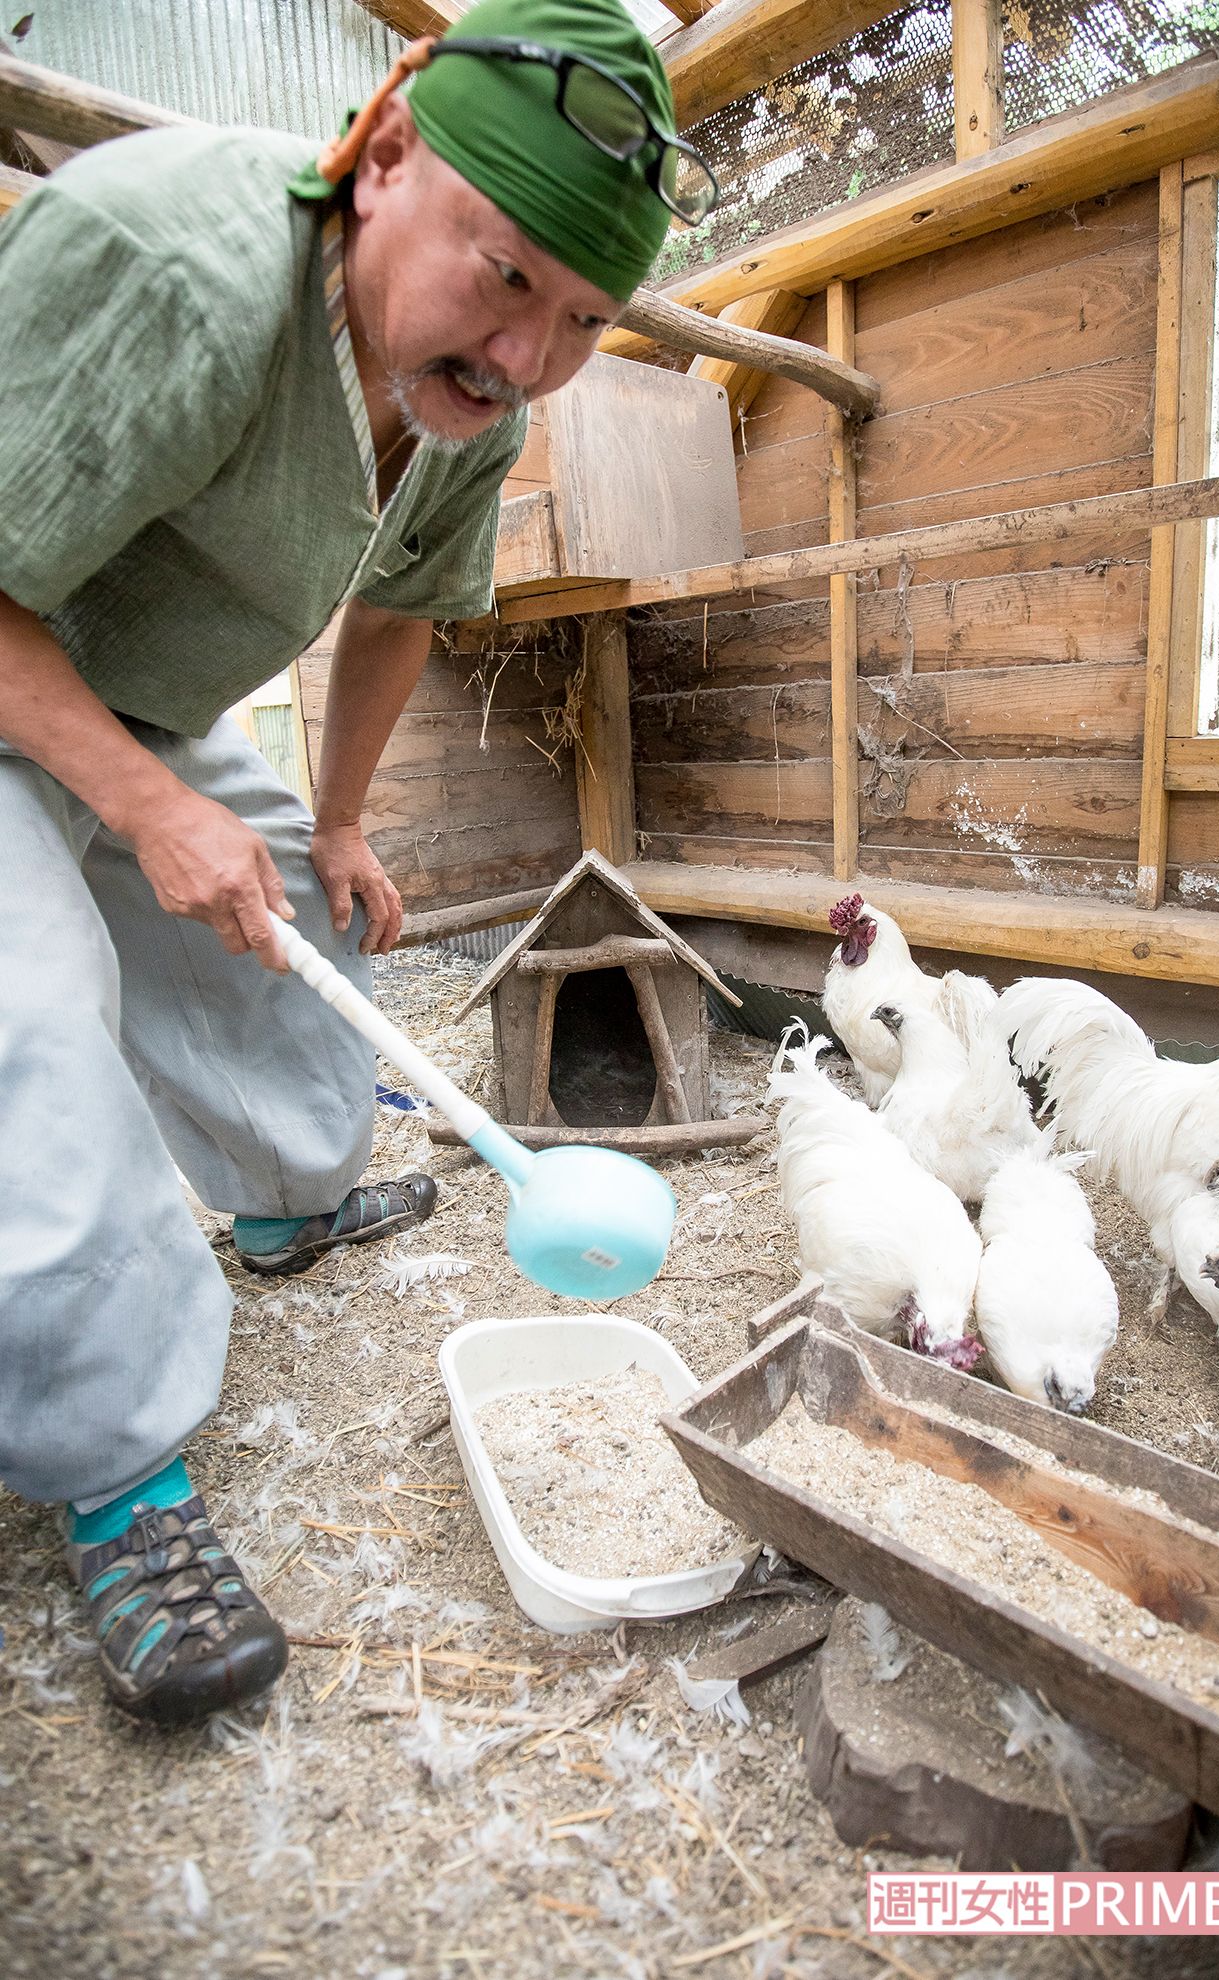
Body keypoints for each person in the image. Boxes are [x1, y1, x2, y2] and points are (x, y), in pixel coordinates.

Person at [0, 0, 716, 1727]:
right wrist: (134, 802)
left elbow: (396, 611)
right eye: (506, 273)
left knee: (297, 938)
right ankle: (118, 1483)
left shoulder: (475, 403)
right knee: (35, 1028)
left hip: (132, 685)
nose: (530, 354)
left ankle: (284, 1206)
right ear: (385, 155)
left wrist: (325, 821)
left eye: (578, 321)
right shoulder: (170, 258)